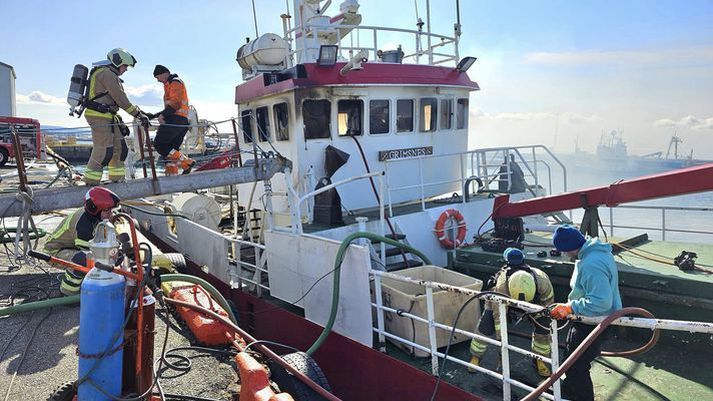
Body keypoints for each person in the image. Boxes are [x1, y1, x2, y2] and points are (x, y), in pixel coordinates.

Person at [549, 225, 622, 401]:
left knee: (577, 365)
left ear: (568, 247)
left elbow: (601, 302)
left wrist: (571, 307)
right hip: (591, 319)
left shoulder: (591, 264)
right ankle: (569, 390)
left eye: (563, 250)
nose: (564, 255)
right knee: (571, 358)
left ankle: (582, 397)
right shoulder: (596, 252)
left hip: (593, 322)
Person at [468, 247, 555, 377]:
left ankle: (540, 360)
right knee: (485, 325)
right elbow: (498, 319)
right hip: (503, 303)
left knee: (543, 328)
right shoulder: (501, 286)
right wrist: (502, 345)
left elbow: (548, 305)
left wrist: (541, 316)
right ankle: (476, 356)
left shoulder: (542, 281)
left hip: (534, 306)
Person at [83, 48, 149, 185]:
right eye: (125, 66)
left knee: (120, 149)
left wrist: (140, 113)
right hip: (99, 116)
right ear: (117, 62)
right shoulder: (106, 74)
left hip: (109, 116)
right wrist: (138, 114)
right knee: (104, 149)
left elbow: (119, 100)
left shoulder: (108, 73)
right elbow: (121, 99)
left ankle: (117, 180)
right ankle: (91, 183)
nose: (126, 69)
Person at [44, 187, 120, 295]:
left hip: (71, 247)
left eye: (111, 210)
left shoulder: (93, 217)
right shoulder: (83, 226)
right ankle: (68, 292)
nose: (111, 214)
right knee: (84, 260)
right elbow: (92, 254)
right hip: (54, 252)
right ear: (95, 209)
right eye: (107, 210)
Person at [146, 65, 195, 175]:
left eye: (157, 77)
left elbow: (175, 104)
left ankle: (187, 162)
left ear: (164, 73)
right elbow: (171, 106)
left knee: (160, 144)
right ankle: (173, 174)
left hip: (175, 120)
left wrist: (162, 115)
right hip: (181, 121)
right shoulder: (169, 84)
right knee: (171, 150)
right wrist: (153, 116)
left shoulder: (175, 82)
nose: (157, 80)